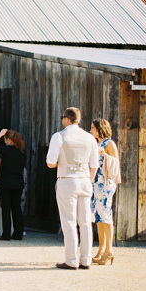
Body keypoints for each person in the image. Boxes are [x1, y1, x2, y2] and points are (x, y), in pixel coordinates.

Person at [46, 107, 99, 270]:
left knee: (69, 221)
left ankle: (71, 259)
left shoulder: (59, 136)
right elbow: (94, 164)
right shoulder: (89, 138)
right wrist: (88, 180)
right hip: (84, 180)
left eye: (63, 118)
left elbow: (50, 163)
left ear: (66, 119)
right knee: (85, 222)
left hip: (67, 180)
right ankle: (86, 259)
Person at [0, 128, 27, 240]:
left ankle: (6, 234)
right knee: (16, 208)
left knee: (6, 208)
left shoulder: (6, 150)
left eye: (5, 139)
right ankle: (18, 234)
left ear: (9, 139)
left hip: (5, 182)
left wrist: (0, 134)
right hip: (18, 182)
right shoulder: (22, 153)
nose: (4, 141)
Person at [90, 118, 119, 265]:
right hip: (97, 184)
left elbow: (115, 164)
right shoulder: (96, 144)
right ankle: (101, 249)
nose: (91, 131)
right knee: (99, 217)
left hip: (106, 184)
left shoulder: (109, 143)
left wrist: (105, 155)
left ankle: (109, 250)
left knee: (106, 216)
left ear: (100, 129)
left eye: (93, 128)